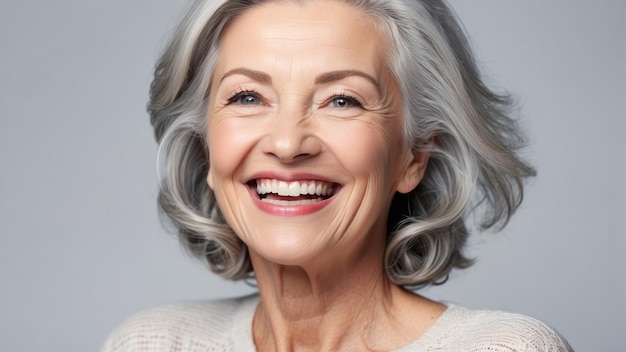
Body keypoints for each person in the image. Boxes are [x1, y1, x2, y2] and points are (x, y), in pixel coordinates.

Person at [103, 0, 573, 350]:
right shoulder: (153, 343)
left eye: (342, 100)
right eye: (247, 97)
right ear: (206, 147)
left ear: (415, 155)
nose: (287, 144)